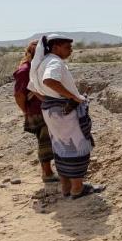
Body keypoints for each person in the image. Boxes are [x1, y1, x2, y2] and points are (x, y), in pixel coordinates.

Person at [28, 34, 100, 199]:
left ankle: (66, 187)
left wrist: (50, 100)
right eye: (67, 47)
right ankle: (77, 188)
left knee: (61, 148)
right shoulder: (54, 62)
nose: (71, 51)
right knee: (77, 148)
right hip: (65, 113)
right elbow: (49, 81)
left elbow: (33, 87)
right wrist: (73, 97)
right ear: (56, 47)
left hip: (52, 113)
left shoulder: (41, 63)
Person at [13, 40, 58, 185]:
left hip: (46, 108)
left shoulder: (39, 67)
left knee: (51, 141)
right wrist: (27, 111)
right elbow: (19, 95)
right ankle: (47, 173)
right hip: (38, 111)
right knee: (45, 142)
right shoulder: (25, 70)